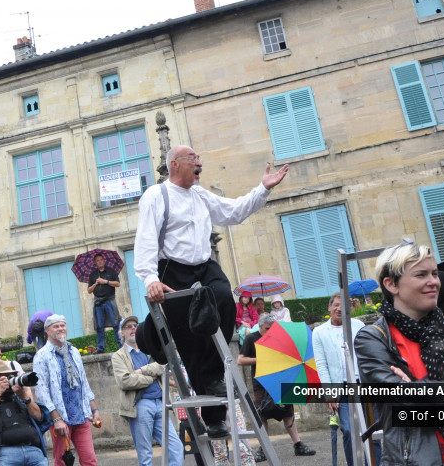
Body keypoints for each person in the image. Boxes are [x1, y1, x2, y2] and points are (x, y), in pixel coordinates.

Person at [134, 144, 288, 438]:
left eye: (199, 158)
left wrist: (263, 190)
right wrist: (149, 279)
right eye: (193, 158)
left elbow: (233, 211)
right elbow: (145, 239)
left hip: (204, 266)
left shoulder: (201, 195)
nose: (199, 163)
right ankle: (214, 420)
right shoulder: (157, 195)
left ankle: (215, 380)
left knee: (224, 302)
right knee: (191, 341)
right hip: (173, 270)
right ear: (175, 164)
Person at [356, 242, 444, 465]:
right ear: (391, 284)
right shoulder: (374, 338)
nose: (433, 282)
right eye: (421, 274)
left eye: (434, 273)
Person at [238, 314, 316, 459]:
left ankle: (298, 444)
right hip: (261, 382)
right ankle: (264, 448)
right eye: (267, 328)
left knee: (288, 413)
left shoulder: (278, 338)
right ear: (260, 326)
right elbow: (240, 360)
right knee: (261, 414)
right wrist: (263, 358)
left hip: (282, 378)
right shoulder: (251, 338)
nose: (270, 332)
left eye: (272, 328)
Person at [112, 315, 183, 466]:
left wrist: (142, 370)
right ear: (121, 333)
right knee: (145, 455)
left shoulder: (149, 349)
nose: (133, 328)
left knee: (176, 447)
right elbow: (125, 381)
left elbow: (163, 365)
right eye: (128, 326)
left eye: (135, 326)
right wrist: (150, 377)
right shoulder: (118, 356)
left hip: (161, 403)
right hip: (140, 405)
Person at [31, 315, 100, 466]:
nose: (61, 328)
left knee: (90, 460)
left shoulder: (74, 351)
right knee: (63, 462)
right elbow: (42, 392)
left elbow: (83, 382)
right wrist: (56, 419)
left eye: (63, 325)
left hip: (81, 416)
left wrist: (94, 409)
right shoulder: (41, 356)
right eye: (56, 326)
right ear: (47, 331)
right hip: (61, 419)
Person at [313, 294, 372, 466]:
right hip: (342, 388)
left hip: (363, 384)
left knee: (372, 430)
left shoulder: (359, 326)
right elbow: (321, 364)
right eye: (336, 305)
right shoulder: (319, 332)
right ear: (329, 308)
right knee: (348, 430)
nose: (340, 309)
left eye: (344, 305)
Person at [0, 362, 49, 466]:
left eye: (10, 377)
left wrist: (25, 397)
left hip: (33, 450)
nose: (9, 381)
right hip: (5, 453)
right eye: (4, 378)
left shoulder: (18, 396)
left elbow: (39, 416)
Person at [85, 252, 122, 353]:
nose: (100, 262)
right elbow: (89, 291)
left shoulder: (111, 271)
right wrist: (96, 283)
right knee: (99, 325)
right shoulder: (93, 275)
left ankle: (120, 345)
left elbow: (118, 284)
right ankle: (100, 348)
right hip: (98, 302)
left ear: (104, 260)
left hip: (110, 300)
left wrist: (106, 281)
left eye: (101, 259)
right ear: (95, 263)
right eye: (97, 260)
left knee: (115, 323)